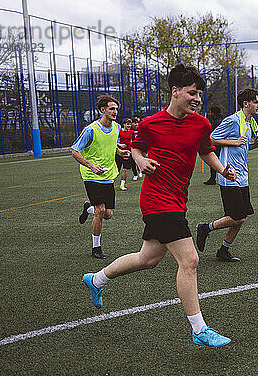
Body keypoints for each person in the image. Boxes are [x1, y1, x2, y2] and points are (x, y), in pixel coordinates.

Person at [81, 63, 236, 348]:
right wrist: (139, 160)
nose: (198, 99)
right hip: (157, 199)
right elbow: (136, 149)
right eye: (192, 93)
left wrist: (222, 169)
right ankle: (199, 329)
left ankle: (97, 279)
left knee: (148, 259)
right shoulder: (151, 123)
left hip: (178, 198)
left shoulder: (201, 124)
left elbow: (206, 150)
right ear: (175, 91)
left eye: (200, 94)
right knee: (190, 260)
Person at [195, 88, 258, 262]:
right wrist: (233, 141)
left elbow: (242, 146)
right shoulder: (233, 120)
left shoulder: (250, 123)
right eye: (256, 102)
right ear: (245, 103)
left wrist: (254, 145)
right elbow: (211, 138)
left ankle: (223, 250)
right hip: (229, 175)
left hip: (243, 176)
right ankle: (206, 228)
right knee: (237, 217)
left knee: (241, 218)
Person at [72, 95, 130, 259]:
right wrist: (91, 166)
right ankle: (96, 248)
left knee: (108, 214)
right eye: (112, 108)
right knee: (100, 211)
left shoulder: (117, 127)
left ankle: (88, 208)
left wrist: (120, 152)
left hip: (108, 176)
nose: (115, 112)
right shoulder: (91, 130)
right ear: (103, 110)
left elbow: (111, 146)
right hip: (91, 175)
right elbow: (75, 151)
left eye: (116, 109)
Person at [203, 106, 223, 185]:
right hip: (218, 144)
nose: (210, 114)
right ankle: (212, 178)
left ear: (214, 113)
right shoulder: (219, 120)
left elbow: (212, 133)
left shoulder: (217, 122)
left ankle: (213, 179)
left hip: (217, 145)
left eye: (211, 112)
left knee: (214, 162)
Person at [116, 117, 138, 190]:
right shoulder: (119, 131)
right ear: (124, 124)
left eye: (129, 125)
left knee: (125, 169)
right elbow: (114, 141)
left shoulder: (131, 132)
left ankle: (122, 185)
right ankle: (109, 183)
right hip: (119, 153)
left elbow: (134, 141)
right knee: (117, 170)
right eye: (127, 124)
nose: (129, 126)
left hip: (127, 153)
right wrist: (119, 145)